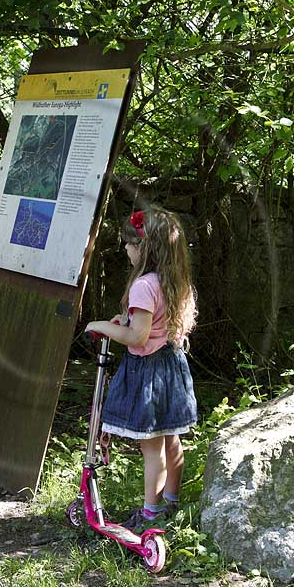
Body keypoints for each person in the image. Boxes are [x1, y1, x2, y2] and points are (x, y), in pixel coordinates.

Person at [85, 207, 199, 530]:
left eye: (129, 243)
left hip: (148, 372)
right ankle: (172, 502)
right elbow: (156, 326)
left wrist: (104, 326)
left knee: (151, 447)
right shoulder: (175, 281)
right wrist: (128, 320)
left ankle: (151, 513)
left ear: (144, 248)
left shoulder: (144, 286)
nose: (125, 249)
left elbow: (138, 337)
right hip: (172, 367)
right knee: (171, 439)